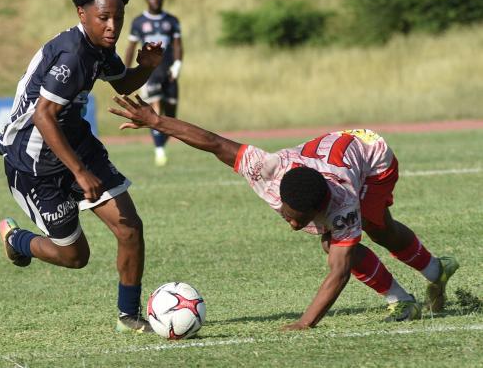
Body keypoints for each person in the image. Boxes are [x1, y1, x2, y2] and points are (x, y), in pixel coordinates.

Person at [109, 95, 459, 329]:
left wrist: (305, 323)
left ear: (320, 207)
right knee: (333, 244)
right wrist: (156, 120)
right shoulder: (266, 168)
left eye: (298, 219)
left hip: (372, 157)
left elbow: (337, 273)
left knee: (374, 230)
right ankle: (418, 287)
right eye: (287, 214)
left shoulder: (342, 202)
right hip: (330, 156)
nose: (292, 224)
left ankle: (424, 279)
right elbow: (213, 143)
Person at [0, 0, 163, 333]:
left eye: (118, 18)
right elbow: (43, 116)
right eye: (104, 17)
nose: (112, 27)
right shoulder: (73, 55)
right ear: (82, 14)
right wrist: (78, 172)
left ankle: (129, 316)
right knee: (75, 256)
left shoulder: (100, 48)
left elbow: (123, 82)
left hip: (76, 146)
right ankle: (16, 239)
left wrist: (146, 67)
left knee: (130, 229)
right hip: (32, 162)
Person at [124, 0, 183, 166]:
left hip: (169, 72)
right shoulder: (139, 22)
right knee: (156, 108)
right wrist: (125, 72)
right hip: (150, 72)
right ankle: (159, 150)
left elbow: (178, 45)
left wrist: (177, 65)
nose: (155, 0)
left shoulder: (172, 21)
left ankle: (161, 143)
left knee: (171, 113)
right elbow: (131, 48)